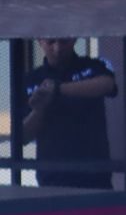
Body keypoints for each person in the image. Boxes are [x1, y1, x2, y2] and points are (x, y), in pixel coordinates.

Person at [23, 37, 117, 189]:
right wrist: (39, 109)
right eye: (51, 42)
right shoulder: (30, 80)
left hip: (95, 176)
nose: (58, 48)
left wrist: (58, 89)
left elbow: (107, 84)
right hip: (51, 178)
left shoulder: (94, 66)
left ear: (74, 39)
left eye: (64, 41)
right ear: (40, 41)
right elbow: (23, 136)